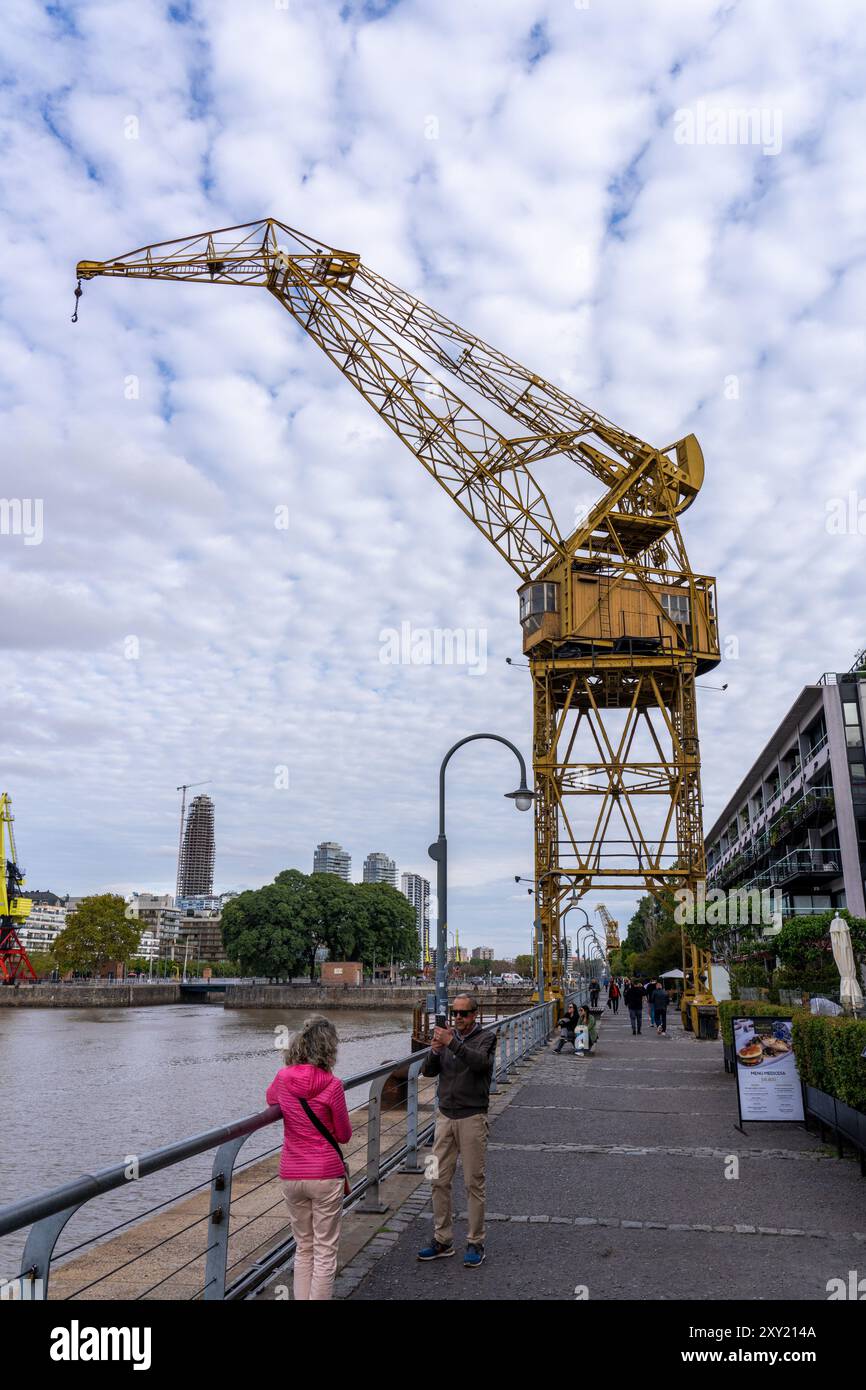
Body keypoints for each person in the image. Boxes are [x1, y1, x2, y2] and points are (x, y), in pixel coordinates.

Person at [266, 1014, 352, 1301]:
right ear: (330, 1048)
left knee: (303, 1247)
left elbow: (270, 1099)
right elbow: (343, 1134)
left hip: (292, 1173)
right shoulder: (332, 1084)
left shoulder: (282, 1078)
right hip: (325, 1174)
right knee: (325, 1250)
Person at [418, 994, 497, 1268]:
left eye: (464, 1013)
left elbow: (481, 1064)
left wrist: (453, 1043)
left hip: (472, 1117)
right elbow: (427, 1072)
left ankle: (475, 1241)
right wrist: (436, 1050)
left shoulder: (486, 1038)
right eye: (455, 1013)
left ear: (475, 1014)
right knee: (437, 1179)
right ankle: (443, 1239)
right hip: (444, 1117)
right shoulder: (447, 1041)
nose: (458, 1018)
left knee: (473, 1182)